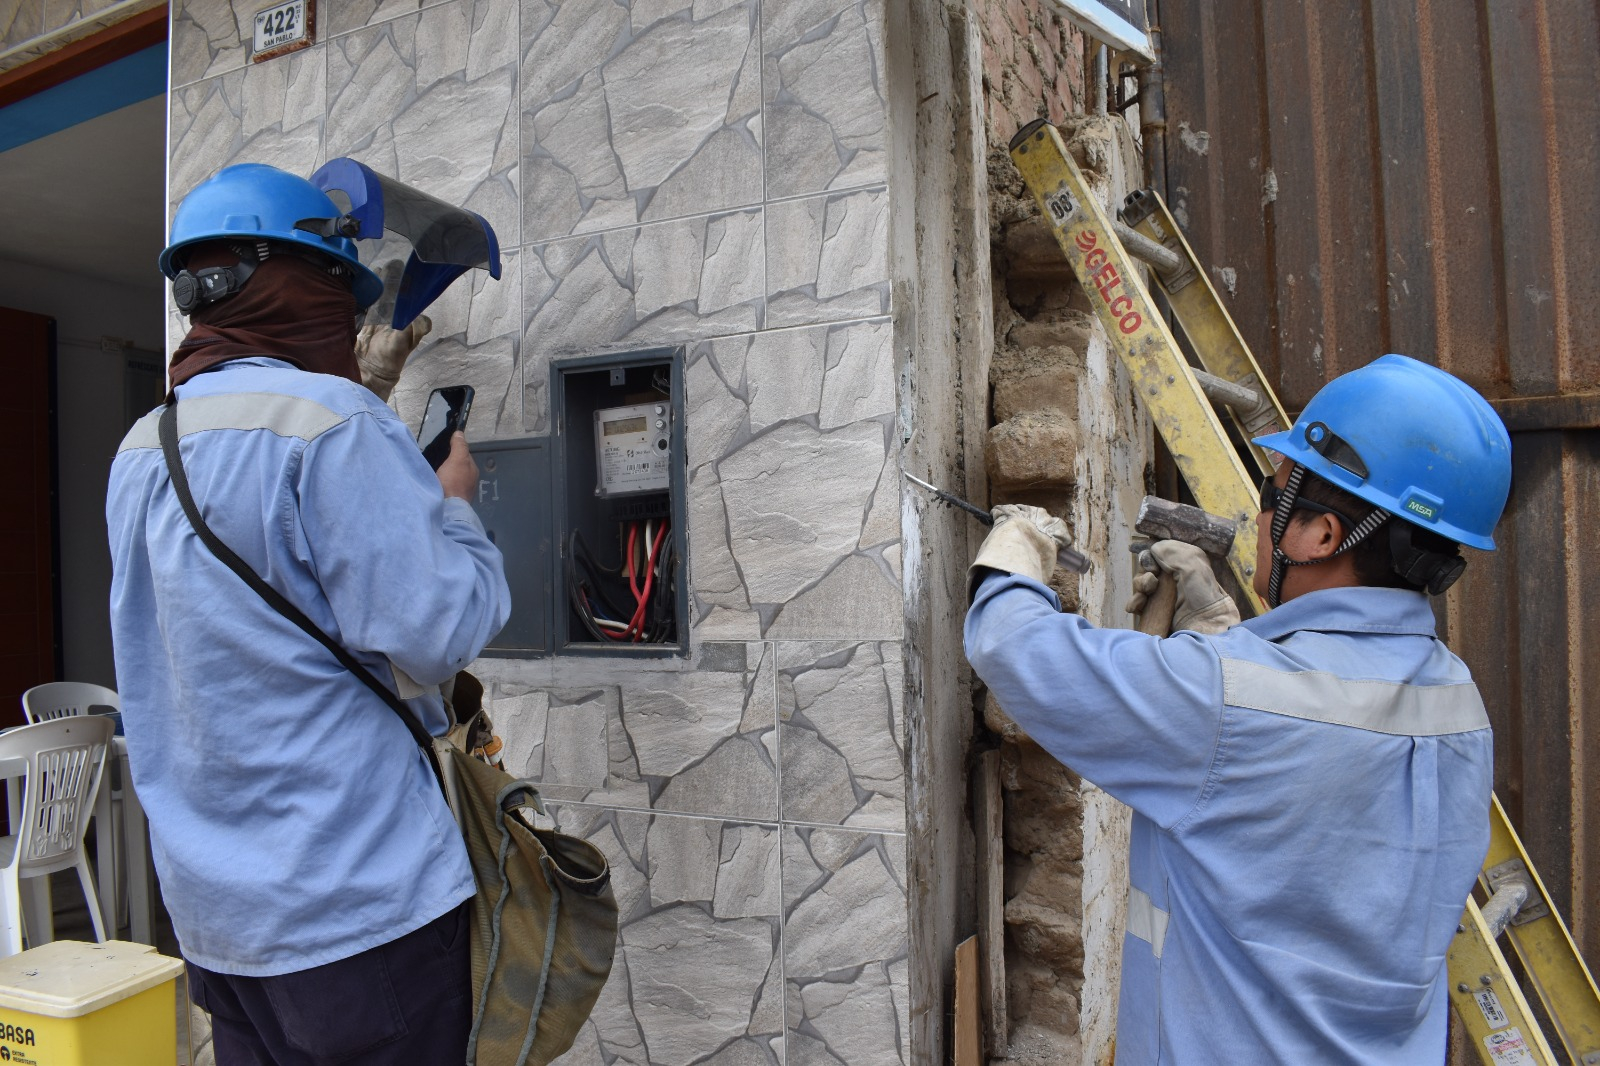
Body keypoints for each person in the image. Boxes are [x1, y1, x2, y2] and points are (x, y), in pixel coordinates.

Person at [965, 354, 1512, 1064]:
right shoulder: (1457, 704)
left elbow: (1015, 650)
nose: (1258, 516)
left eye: (1272, 491)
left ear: (1319, 534)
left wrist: (1017, 555)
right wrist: (1225, 631)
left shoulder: (1229, 703)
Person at [107, 162, 510, 1064]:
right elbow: (440, 635)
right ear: (299, 284)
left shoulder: (143, 445)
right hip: (355, 910)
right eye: (339, 288)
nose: (347, 315)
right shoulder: (333, 424)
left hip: (219, 921)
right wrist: (455, 509)